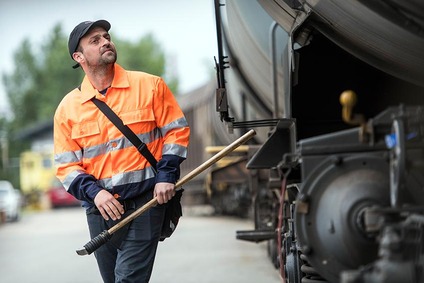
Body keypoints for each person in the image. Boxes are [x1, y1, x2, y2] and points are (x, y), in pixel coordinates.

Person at [53, 20, 190, 283]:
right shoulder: (68, 108)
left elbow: (176, 131)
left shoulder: (150, 86)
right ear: (79, 57)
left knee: (127, 279)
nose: (105, 41)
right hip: (100, 210)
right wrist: (96, 194)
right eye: (95, 40)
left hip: (146, 202)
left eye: (106, 36)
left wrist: (166, 176)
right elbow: (66, 165)